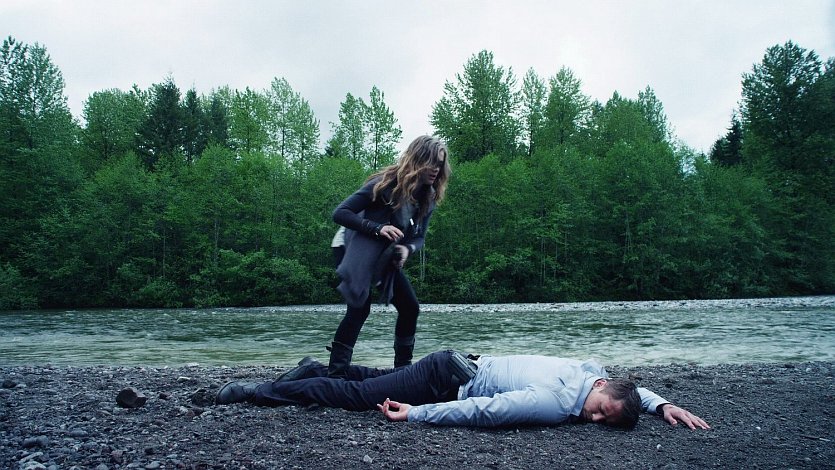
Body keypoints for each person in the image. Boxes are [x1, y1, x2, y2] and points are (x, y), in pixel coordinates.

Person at [215, 350, 710, 430]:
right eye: (600, 409)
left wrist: (663, 405)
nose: (592, 417)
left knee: (370, 379)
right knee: (355, 398)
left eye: (601, 421)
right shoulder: (556, 402)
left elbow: (627, 391)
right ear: (599, 387)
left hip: (453, 363)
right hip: (445, 381)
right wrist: (415, 414)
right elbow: (485, 411)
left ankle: (312, 368)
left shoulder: (588, 372)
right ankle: (254, 391)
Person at [328, 135, 451, 377]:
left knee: (410, 307)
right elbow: (340, 213)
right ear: (417, 159)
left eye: (440, 164)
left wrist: (407, 249)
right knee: (359, 308)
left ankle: (403, 373)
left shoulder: (427, 196)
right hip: (350, 246)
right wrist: (377, 228)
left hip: (384, 253)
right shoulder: (384, 184)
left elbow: (419, 238)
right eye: (431, 162)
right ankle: (336, 374)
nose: (436, 169)